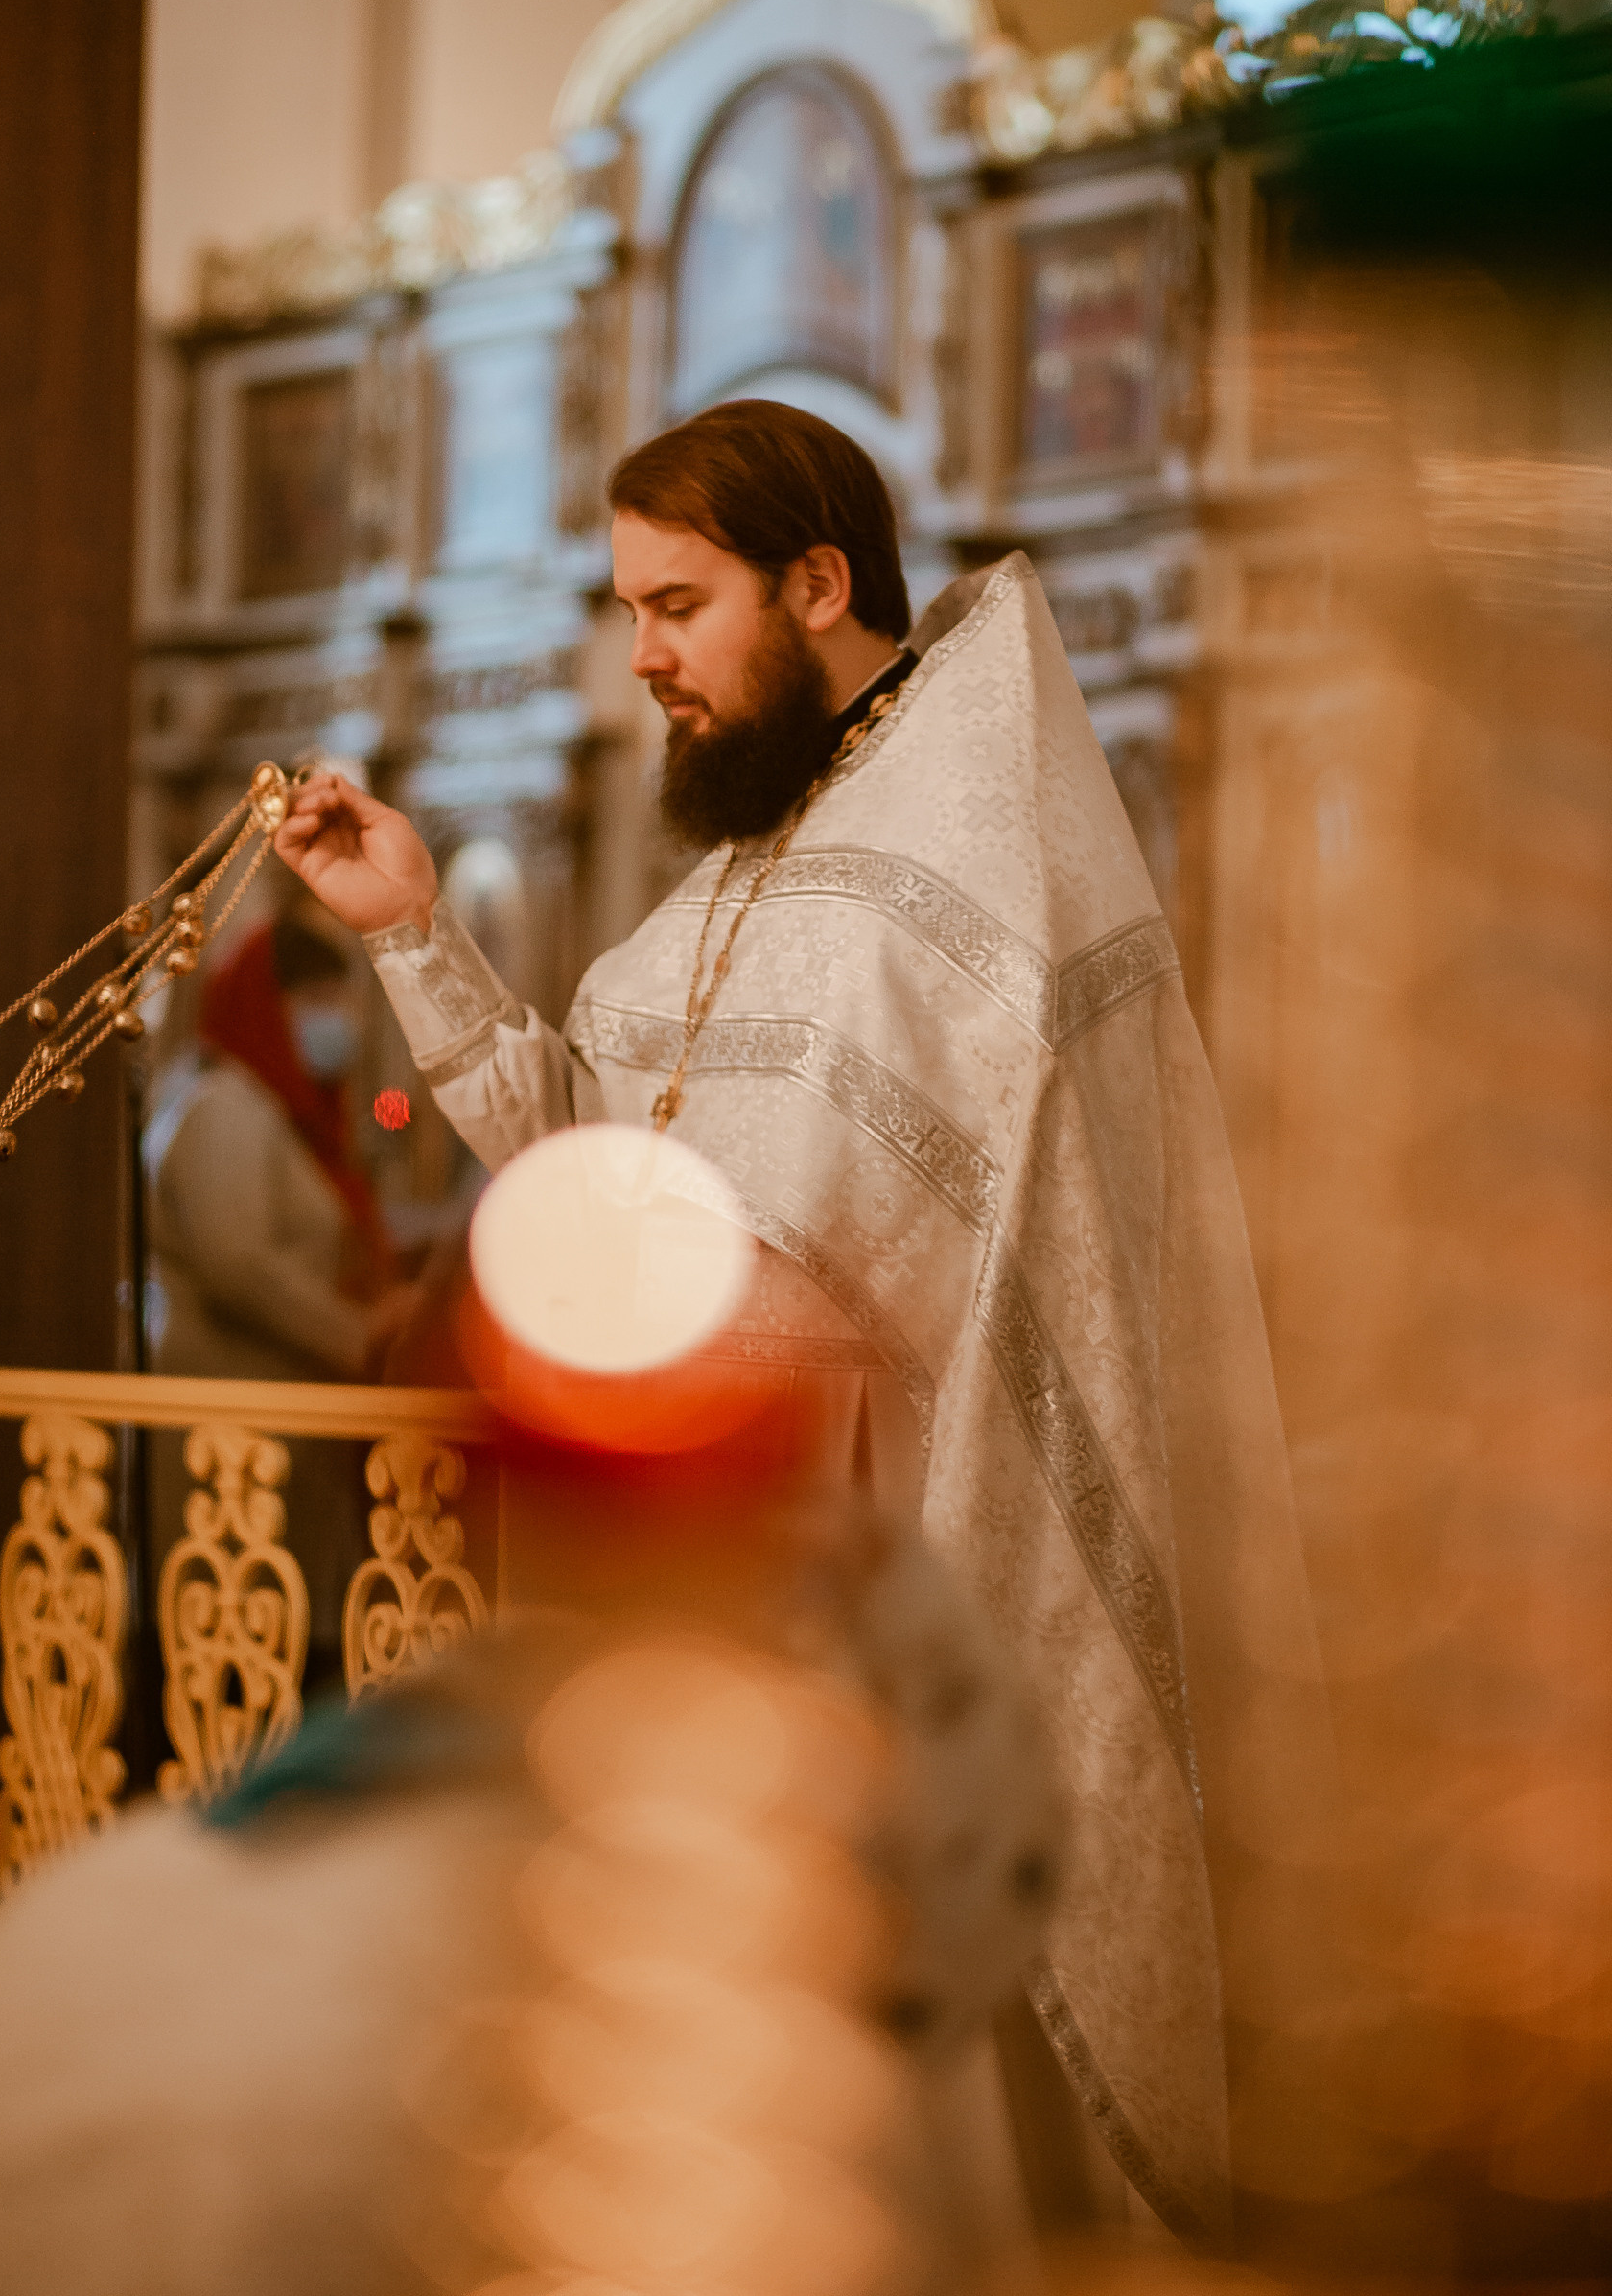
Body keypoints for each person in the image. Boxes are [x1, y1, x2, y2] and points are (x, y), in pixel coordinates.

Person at [274, 396, 1326, 2246]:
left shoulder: (967, 869)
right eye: (627, 610)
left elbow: (887, 1264)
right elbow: (613, 1180)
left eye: (677, 605)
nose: (643, 660)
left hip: (894, 1583)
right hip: (716, 1594)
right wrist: (415, 934)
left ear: (818, 582)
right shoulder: (757, 866)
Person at [145, 895, 418, 1651]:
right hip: (232, 1430)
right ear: (268, 1005)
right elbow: (240, 1263)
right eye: (318, 999)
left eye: (343, 999)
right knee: (233, 1650)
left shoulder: (276, 1111)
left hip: (282, 1430)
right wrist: (360, 1336)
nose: (340, 1021)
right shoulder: (225, 1107)